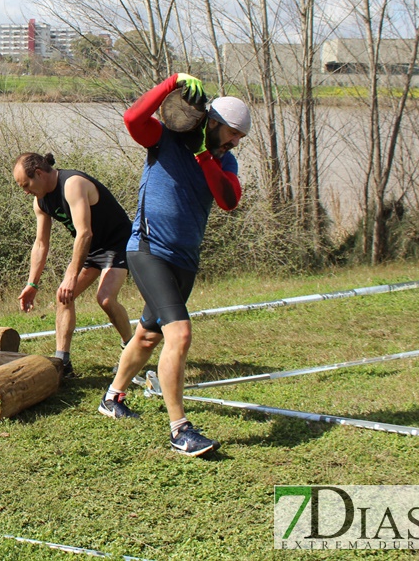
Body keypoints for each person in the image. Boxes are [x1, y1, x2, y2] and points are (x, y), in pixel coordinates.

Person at [97, 73, 248, 458]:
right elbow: (133, 120)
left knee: (148, 335)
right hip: (148, 250)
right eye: (232, 133)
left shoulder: (222, 159)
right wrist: (172, 82)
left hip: (185, 260)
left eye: (239, 137)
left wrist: (206, 155)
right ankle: (180, 429)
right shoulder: (167, 139)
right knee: (178, 334)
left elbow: (229, 199)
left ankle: (112, 396)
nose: (235, 142)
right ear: (212, 122)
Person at [13, 153, 133, 377]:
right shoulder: (40, 201)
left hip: (118, 243)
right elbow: (40, 244)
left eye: (26, 185)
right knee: (63, 297)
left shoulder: (72, 184)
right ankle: (63, 364)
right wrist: (32, 283)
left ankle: (131, 349)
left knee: (105, 299)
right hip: (92, 248)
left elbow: (84, 232)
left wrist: (71, 274)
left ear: (39, 173)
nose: (26, 191)